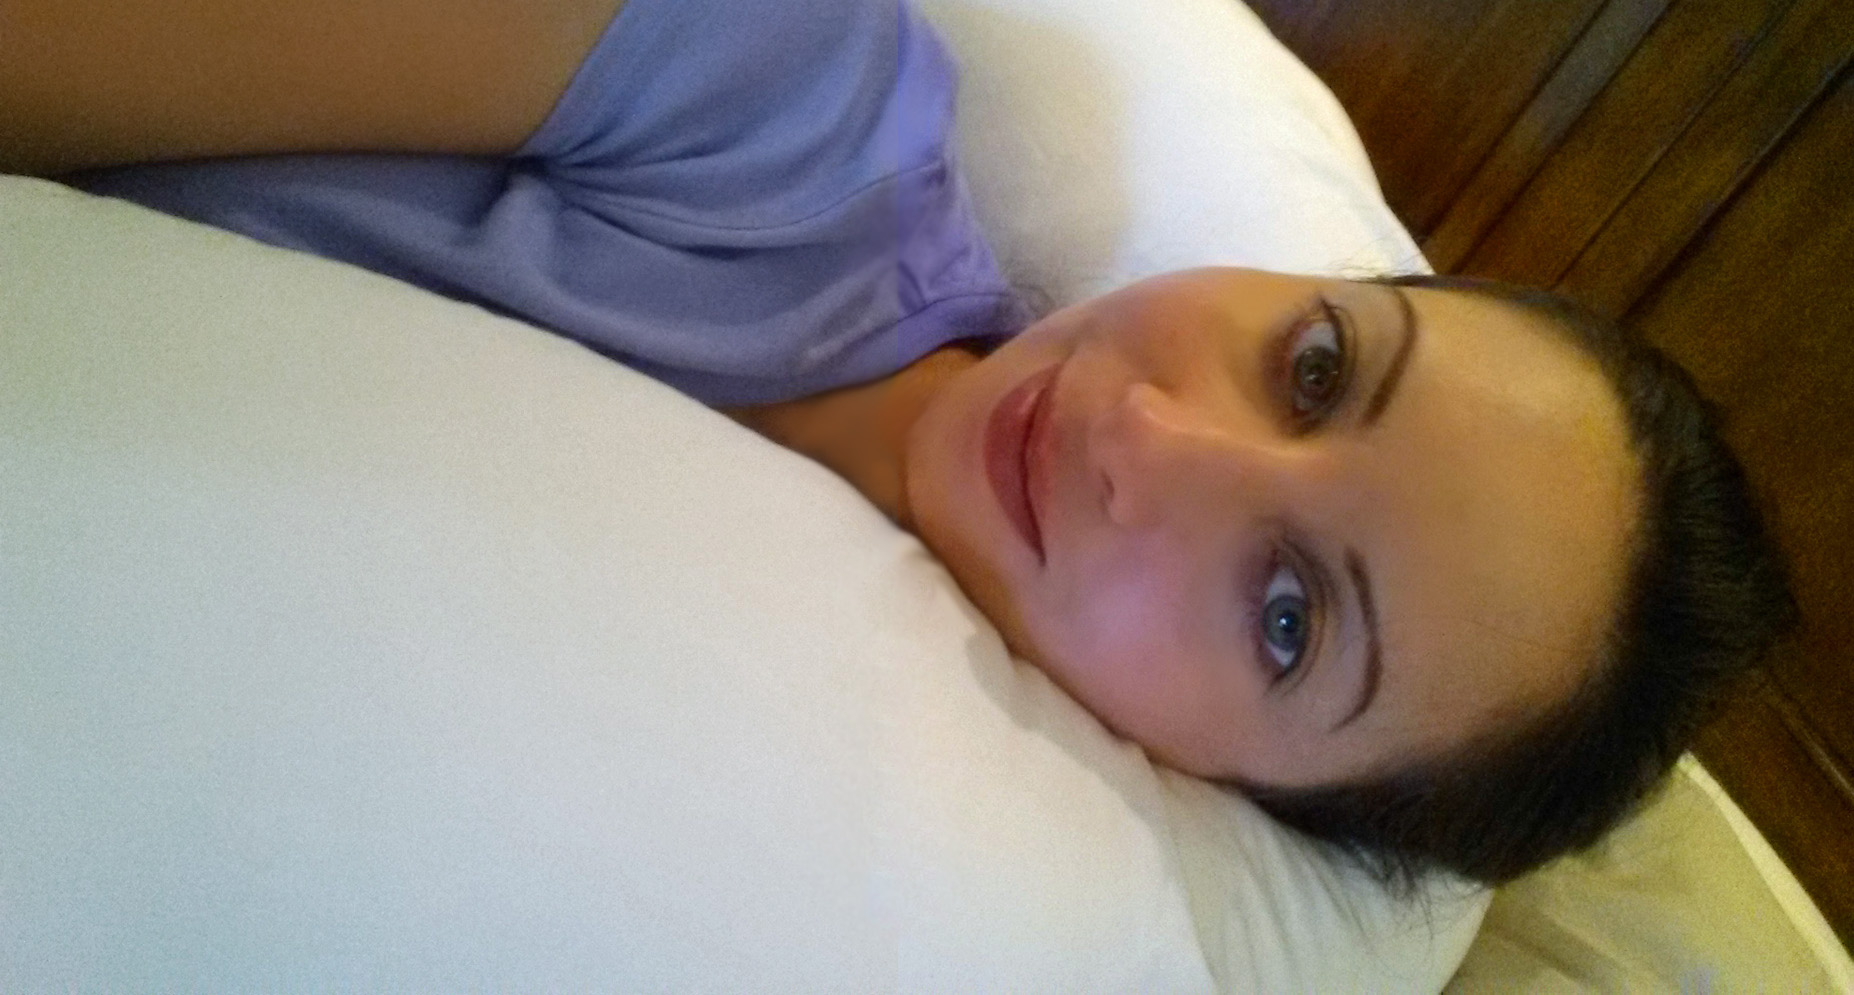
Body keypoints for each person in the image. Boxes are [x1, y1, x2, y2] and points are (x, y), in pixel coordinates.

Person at [1, 0, 1793, 887]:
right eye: (1314, 367)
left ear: (1250, 797)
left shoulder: (755, 817)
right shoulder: (780, 99)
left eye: (1285, 618)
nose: (1147, 433)